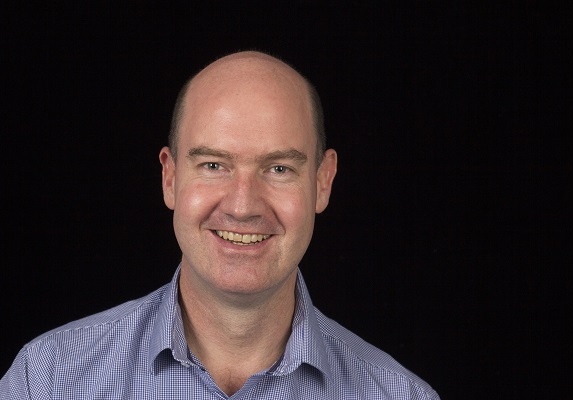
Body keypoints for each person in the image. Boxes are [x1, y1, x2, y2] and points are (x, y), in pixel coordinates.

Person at [0, 50, 440, 399]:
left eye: (279, 168)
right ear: (170, 178)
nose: (243, 206)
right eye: (213, 165)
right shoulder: (48, 380)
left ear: (322, 183)